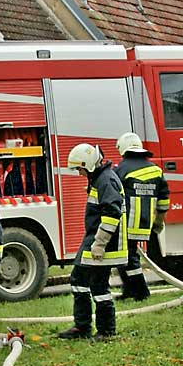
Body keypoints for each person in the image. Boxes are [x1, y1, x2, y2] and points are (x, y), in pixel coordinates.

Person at [58, 142, 126, 340]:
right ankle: (83, 327)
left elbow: (112, 214)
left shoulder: (105, 181)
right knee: (79, 280)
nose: (79, 173)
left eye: (79, 169)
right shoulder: (100, 179)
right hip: (94, 239)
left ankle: (105, 331)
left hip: (102, 242)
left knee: (98, 286)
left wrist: (100, 244)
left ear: (88, 165)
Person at [113, 132, 166, 299]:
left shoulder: (120, 170)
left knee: (128, 258)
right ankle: (129, 291)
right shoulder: (156, 170)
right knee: (127, 257)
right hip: (145, 221)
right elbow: (164, 200)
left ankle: (142, 292)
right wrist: (158, 221)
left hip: (126, 222)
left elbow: (114, 196)